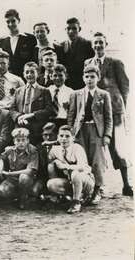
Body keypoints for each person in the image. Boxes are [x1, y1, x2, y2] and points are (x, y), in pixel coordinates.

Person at [84, 32, 131, 196]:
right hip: (97, 113)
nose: (98, 46)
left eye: (100, 43)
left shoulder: (115, 63)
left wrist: (122, 108)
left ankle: (126, 184)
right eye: (95, 43)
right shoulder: (88, 63)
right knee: (97, 148)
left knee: (117, 147)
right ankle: (97, 186)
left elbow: (125, 87)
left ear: (106, 44)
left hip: (115, 111)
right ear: (92, 45)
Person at [67, 65, 112, 205]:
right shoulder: (76, 94)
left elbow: (108, 117)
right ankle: (83, 191)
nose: (89, 79)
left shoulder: (104, 94)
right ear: (83, 78)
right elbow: (71, 114)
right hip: (81, 131)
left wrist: (107, 135)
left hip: (96, 131)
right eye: (86, 76)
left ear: (98, 78)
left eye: (92, 76)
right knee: (82, 160)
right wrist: (71, 131)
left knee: (97, 161)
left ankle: (97, 190)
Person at [46, 125, 95, 213]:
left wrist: (65, 166)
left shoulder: (77, 148)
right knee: (51, 182)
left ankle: (76, 202)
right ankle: (59, 197)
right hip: (69, 181)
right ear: (57, 137)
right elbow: (50, 162)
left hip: (85, 181)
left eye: (67, 136)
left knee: (75, 173)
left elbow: (82, 167)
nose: (64, 139)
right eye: (61, 136)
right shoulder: (55, 149)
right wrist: (55, 161)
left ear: (73, 138)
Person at [0, 128, 42, 209]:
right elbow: (2, 157)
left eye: (23, 140)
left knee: (23, 178)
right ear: (14, 141)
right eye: (18, 140)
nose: (21, 143)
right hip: (13, 179)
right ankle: (17, 195)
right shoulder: (9, 150)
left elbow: (30, 171)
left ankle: (23, 198)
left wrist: (9, 173)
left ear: (27, 141)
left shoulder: (33, 151)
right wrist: (0, 166)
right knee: (1, 191)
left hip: (28, 179)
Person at [9, 62, 54, 144]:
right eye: (27, 72)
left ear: (38, 73)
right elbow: (12, 109)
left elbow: (49, 110)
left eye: (32, 72)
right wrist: (19, 117)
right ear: (23, 74)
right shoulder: (18, 91)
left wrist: (32, 115)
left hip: (37, 128)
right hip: (20, 126)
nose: (29, 75)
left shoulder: (44, 91)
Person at [0, 9, 38, 76]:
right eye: (8, 22)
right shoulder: (2, 41)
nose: (10, 24)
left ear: (18, 20)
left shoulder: (30, 38)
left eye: (13, 21)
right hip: (9, 78)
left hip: (26, 76)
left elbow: (34, 60)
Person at [58, 17, 95, 89]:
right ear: (65, 30)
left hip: (83, 84)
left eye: (74, 28)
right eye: (68, 29)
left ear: (79, 29)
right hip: (67, 85)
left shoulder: (88, 45)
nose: (71, 31)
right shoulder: (61, 46)